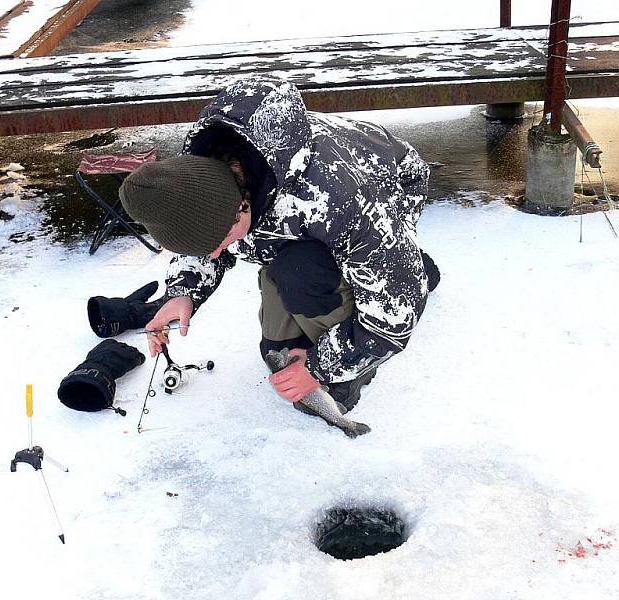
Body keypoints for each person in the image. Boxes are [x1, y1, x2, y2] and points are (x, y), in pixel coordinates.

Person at [119, 78, 439, 415]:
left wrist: (319, 366)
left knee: (304, 270)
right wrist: (184, 291)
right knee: (278, 350)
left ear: (241, 204)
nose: (214, 255)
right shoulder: (202, 176)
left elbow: (393, 316)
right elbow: (202, 233)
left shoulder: (336, 199)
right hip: (298, 213)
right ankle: (394, 269)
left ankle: (407, 266)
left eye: (219, 244)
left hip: (391, 184)